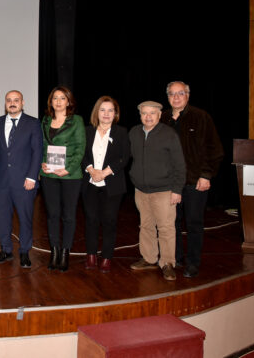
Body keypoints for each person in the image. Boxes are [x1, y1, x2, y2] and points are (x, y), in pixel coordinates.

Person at [161, 81, 223, 278]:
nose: (176, 97)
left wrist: (206, 175)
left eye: (180, 93)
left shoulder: (201, 117)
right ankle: (176, 258)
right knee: (172, 222)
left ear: (187, 95)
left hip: (195, 181)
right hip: (170, 183)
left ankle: (193, 262)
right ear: (167, 96)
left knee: (194, 223)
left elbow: (214, 149)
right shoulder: (162, 119)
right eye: (172, 94)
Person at [129, 100, 186, 281]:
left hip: (164, 190)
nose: (148, 117)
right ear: (140, 115)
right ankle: (148, 258)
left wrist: (177, 190)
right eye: (144, 113)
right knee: (145, 226)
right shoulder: (134, 133)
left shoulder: (169, 134)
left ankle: (168, 263)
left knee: (166, 228)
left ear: (160, 115)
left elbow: (179, 164)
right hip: (141, 190)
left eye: (152, 113)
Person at [0, 90, 43, 268]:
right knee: (3, 217)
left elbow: (37, 152)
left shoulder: (33, 123)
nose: (12, 103)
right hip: (2, 180)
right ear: (5, 103)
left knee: (25, 217)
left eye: (16, 100)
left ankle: (24, 251)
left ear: (22, 102)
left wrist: (32, 177)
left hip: (24, 181)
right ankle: (6, 250)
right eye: (9, 100)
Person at [80, 96, 130, 273]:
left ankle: (107, 257)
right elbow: (81, 154)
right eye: (103, 110)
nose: (106, 114)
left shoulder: (122, 132)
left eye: (110, 110)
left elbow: (125, 157)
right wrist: (91, 170)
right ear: (97, 112)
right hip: (90, 183)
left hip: (113, 185)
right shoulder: (86, 131)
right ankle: (91, 256)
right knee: (91, 220)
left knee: (109, 221)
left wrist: (105, 172)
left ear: (115, 114)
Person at [40, 86, 86, 272]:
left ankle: (65, 253)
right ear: (51, 102)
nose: (58, 101)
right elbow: (42, 145)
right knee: (52, 215)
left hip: (70, 175)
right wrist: (42, 163)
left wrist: (68, 169)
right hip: (48, 174)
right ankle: (55, 252)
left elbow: (80, 148)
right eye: (55, 98)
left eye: (62, 98)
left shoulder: (77, 121)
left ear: (69, 101)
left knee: (68, 216)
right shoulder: (45, 120)